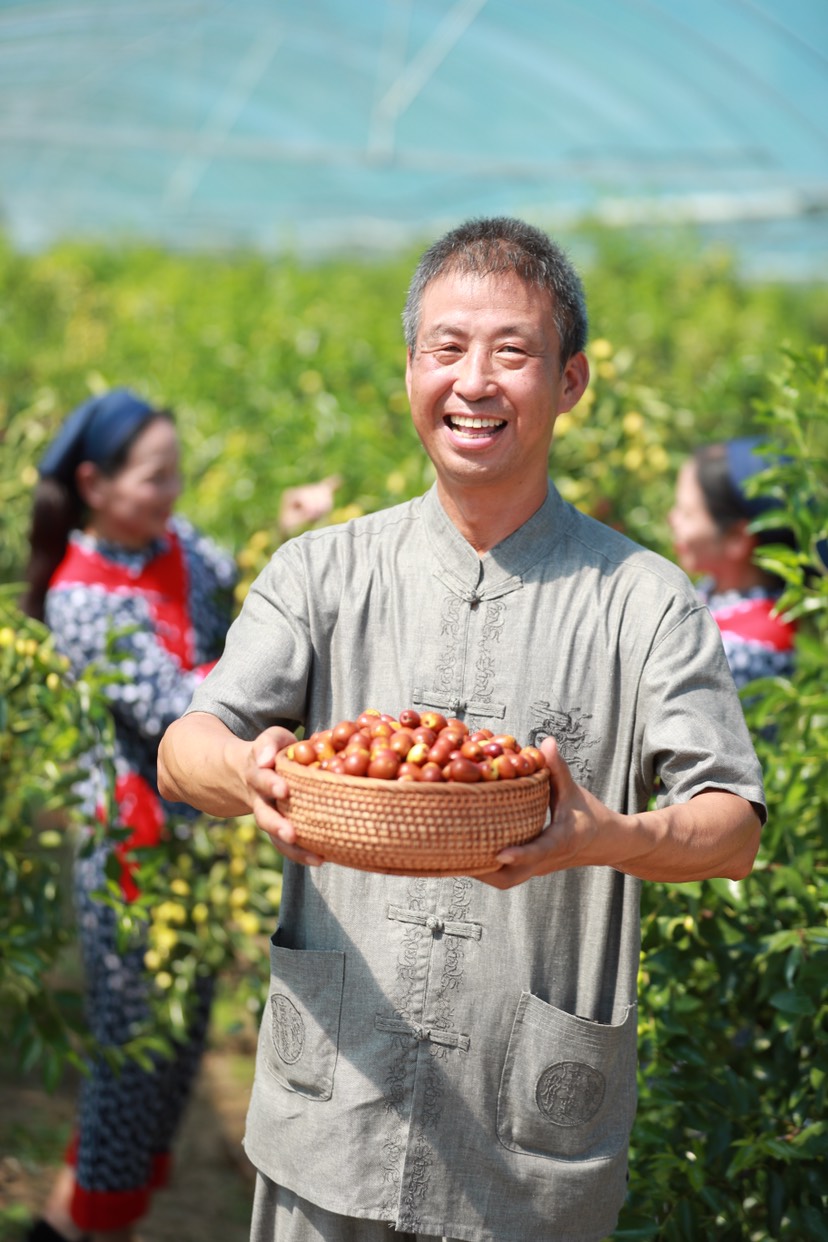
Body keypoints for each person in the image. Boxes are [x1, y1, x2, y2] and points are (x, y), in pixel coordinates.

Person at [158, 217, 764, 1242]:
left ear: (570, 383)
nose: (473, 381)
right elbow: (187, 747)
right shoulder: (321, 572)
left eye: (512, 351)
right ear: (409, 372)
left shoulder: (645, 603)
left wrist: (602, 838)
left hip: (523, 1153)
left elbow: (733, 825)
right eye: (445, 348)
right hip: (331, 1117)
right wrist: (250, 774)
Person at [22, 388, 238, 1242]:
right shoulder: (80, 598)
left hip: (193, 838)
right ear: (94, 484)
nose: (171, 494)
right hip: (129, 851)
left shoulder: (178, 546)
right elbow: (174, 706)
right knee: (129, 1054)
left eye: (175, 474)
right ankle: (86, 1225)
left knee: (177, 1049)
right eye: (153, 478)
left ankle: (88, 1220)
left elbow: (250, 596)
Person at [669, 437, 797, 689]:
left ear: (737, 538)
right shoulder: (719, 591)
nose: (672, 518)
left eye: (687, 513)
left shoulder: (743, 651)